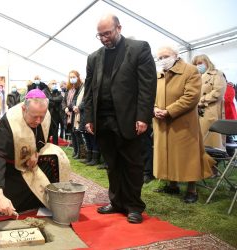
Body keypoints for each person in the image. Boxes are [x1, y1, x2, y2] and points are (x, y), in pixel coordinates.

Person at [83, 14, 157, 224]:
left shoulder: (139, 48)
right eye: (100, 35)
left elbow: (147, 86)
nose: (104, 38)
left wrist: (143, 116)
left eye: (107, 33)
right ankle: (116, 202)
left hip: (128, 119)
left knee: (132, 164)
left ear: (119, 28)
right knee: (112, 163)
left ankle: (134, 206)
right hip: (102, 119)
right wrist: (89, 117)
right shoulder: (94, 57)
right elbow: (89, 90)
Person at [0, 89, 70, 216]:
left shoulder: (45, 117)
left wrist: (36, 153)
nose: (39, 121)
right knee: (8, 200)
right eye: (35, 117)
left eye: (42, 116)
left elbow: (43, 140)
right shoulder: (10, 122)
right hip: (12, 170)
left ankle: (50, 196)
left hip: (31, 166)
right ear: (24, 109)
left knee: (56, 157)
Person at [153, 46, 215, 203]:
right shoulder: (159, 74)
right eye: (159, 58)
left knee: (188, 156)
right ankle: (172, 185)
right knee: (168, 154)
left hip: (183, 123)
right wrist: (154, 108)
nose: (162, 60)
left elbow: (191, 97)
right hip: (162, 122)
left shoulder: (190, 71)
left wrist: (169, 111)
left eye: (165, 56)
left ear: (176, 55)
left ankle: (191, 189)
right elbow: (152, 94)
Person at [191, 54, 227, 150]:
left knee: (210, 142)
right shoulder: (194, 77)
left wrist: (201, 100)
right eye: (195, 64)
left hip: (209, 112)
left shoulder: (217, 74)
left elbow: (218, 92)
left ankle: (212, 162)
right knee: (196, 142)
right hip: (194, 113)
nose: (197, 66)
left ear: (207, 62)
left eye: (200, 63)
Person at [62, 70, 81, 159]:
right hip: (68, 114)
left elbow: (75, 101)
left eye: (74, 77)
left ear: (77, 77)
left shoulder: (79, 88)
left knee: (77, 133)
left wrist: (69, 107)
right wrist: (65, 107)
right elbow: (64, 101)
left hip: (75, 113)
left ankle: (80, 152)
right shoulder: (69, 89)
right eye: (71, 77)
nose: (72, 78)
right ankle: (75, 150)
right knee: (72, 133)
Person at [46, 80, 63, 145]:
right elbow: (47, 102)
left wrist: (51, 98)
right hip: (48, 114)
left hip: (56, 114)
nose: (54, 85)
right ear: (49, 84)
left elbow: (60, 98)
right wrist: (54, 100)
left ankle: (55, 145)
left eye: (55, 83)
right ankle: (47, 145)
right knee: (47, 130)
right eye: (53, 83)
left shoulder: (58, 92)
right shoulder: (45, 91)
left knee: (55, 131)